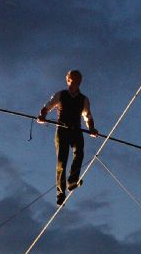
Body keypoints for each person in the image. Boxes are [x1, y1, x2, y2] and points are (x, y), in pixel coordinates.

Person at [37, 69, 98, 205]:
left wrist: (92, 128)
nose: (74, 82)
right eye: (72, 79)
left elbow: (88, 116)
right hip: (62, 130)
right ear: (68, 80)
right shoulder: (61, 95)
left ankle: (72, 181)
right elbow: (47, 107)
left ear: (80, 82)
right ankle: (60, 193)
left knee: (79, 153)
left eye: (77, 80)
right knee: (62, 161)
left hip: (76, 130)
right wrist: (42, 116)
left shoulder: (84, 99)